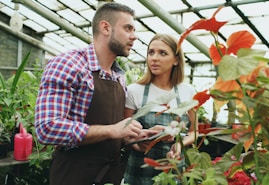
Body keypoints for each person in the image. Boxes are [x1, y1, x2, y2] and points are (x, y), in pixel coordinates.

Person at [34, 2, 147, 185]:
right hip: (74, 176)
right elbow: (47, 128)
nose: (134, 36)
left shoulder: (119, 76)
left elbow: (114, 131)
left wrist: (134, 138)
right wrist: (112, 130)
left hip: (111, 175)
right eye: (128, 28)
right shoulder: (68, 64)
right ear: (105, 27)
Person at [123, 33, 198, 185]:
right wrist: (138, 144)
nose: (154, 58)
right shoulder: (134, 90)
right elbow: (123, 132)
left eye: (162, 53)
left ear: (176, 60)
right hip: (140, 168)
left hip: (173, 168)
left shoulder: (187, 91)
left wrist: (178, 145)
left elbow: (194, 132)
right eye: (151, 52)